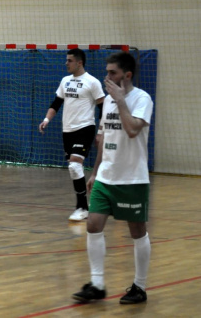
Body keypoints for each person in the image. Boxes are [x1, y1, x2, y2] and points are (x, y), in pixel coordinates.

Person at [72, 51, 154, 304]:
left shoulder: (142, 99)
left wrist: (120, 101)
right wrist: (95, 172)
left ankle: (139, 286)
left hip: (132, 180)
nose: (107, 76)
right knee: (93, 225)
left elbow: (131, 130)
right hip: (106, 177)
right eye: (106, 72)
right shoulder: (107, 101)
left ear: (127, 75)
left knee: (137, 232)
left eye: (112, 72)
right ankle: (97, 284)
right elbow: (103, 138)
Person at [39, 49, 105, 221]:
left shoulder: (92, 82)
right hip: (67, 130)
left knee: (75, 165)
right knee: (74, 169)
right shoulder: (65, 81)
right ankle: (85, 206)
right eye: (66, 60)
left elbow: (103, 108)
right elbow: (56, 103)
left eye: (69, 61)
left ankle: (82, 207)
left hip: (85, 128)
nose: (66, 63)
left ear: (79, 62)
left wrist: (100, 132)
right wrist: (47, 119)